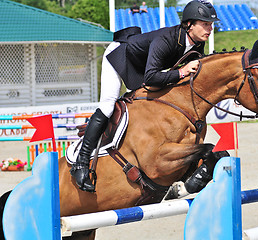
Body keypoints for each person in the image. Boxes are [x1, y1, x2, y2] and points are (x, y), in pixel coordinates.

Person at [70, 0, 220, 192]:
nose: (210, 29)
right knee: (108, 105)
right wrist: (182, 72)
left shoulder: (196, 45)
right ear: (189, 24)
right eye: (205, 24)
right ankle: (81, 163)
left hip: (145, 66)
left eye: (211, 24)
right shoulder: (167, 38)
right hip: (121, 56)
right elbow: (151, 77)